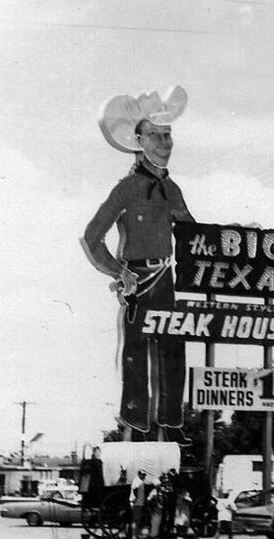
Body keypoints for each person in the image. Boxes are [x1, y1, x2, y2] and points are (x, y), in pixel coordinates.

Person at [81, 87, 192, 437]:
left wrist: (233, 236)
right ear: (139, 140)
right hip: (139, 281)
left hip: (166, 278)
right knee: (136, 354)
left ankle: (171, 424)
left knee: (173, 350)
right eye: (155, 135)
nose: (164, 143)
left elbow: (192, 234)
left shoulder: (172, 190)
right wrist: (119, 272)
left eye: (167, 135)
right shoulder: (127, 188)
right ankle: (136, 424)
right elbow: (91, 237)